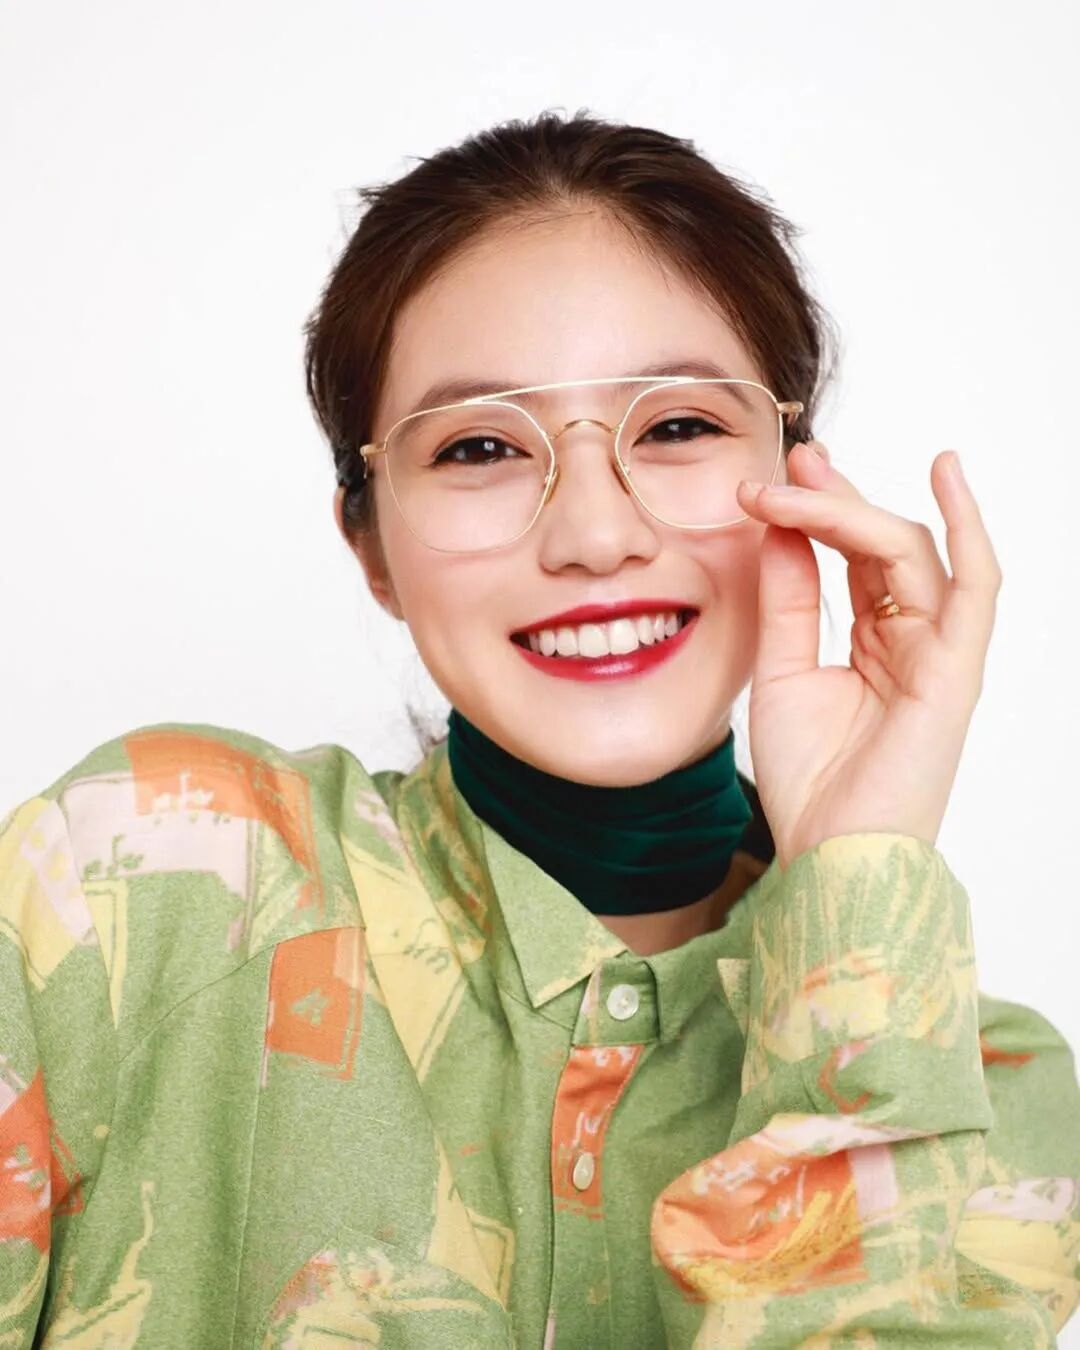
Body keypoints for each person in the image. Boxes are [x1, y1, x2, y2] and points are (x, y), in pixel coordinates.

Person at [1, 110, 1076, 1349]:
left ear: (801, 481)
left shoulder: (985, 1095)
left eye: (677, 427)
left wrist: (858, 886)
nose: (595, 536)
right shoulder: (146, 880)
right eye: (478, 447)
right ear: (372, 545)